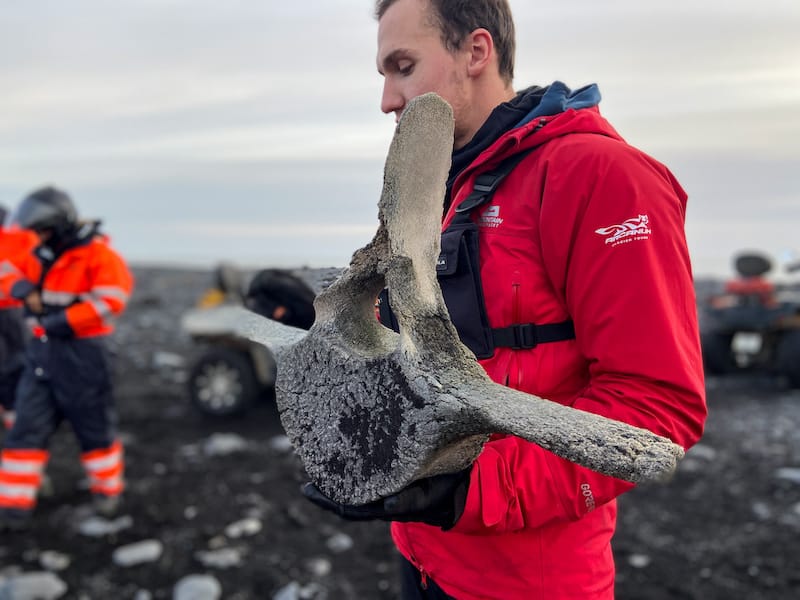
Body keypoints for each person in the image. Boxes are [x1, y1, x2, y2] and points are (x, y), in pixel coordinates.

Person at [302, 1, 708, 598]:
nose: (387, 98)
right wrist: (322, 318)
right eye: (384, 75)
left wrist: (469, 488)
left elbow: (658, 405)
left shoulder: (602, 179)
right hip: (422, 557)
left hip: (527, 581)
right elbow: (418, 342)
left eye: (403, 66)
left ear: (476, 51)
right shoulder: (443, 188)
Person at [0, 187, 133, 531]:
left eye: (41, 230)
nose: (37, 237)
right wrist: (20, 288)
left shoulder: (98, 256)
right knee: (26, 429)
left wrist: (61, 321)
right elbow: (6, 267)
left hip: (84, 356)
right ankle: (12, 510)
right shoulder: (39, 253)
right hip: (42, 354)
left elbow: (111, 300)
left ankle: (107, 494)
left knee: (94, 430)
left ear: (57, 226)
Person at [0, 205, 39, 430]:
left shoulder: (22, 235)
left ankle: (13, 407)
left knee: (15, 359)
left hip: (12, 309)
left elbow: (35, 267)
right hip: (13, 307)